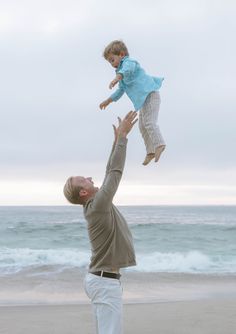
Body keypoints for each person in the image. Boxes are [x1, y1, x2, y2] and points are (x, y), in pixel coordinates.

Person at [63, 111, 137, 334]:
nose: (89, 177)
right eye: (84, 179)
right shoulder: (97, 207)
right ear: (83, 191)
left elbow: (108, 172)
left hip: (102, 280)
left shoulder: (96, 205)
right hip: (104, 283)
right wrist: (123, 139)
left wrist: (116, 142)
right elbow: (114, 173)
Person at [100, 40, 166, 166]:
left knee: (149, 123)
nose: (111, 64)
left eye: (112, 60)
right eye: (109, 61)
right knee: (142, 126)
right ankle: (150, 151)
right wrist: (108, 101)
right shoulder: (122, 76)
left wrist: (117, 77)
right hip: (144, 101)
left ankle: (160, 144)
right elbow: (120, 91)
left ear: (121, 54)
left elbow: (128, 69)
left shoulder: (129, 63)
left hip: (151, 95)